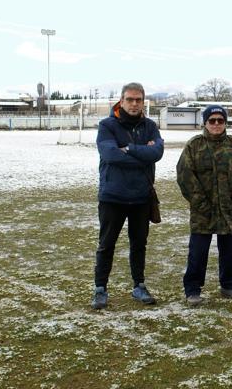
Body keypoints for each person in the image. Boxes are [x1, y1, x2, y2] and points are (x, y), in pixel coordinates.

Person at [91, 82, 164, 309]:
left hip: (141, 197)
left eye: (138, 100)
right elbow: (111, 155)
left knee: (139, 244)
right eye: (130, 99)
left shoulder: (150, 126)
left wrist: (130, 149)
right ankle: (100, 289)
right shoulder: (107, 126)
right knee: (106, 244)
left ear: (143, 102)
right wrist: (143, 152)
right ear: (121, 101)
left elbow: (157, 152)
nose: (134, 104)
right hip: (113, 196)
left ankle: (139, 286)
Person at [176, 105, 232, 306]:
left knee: (228, 250)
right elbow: (185, 176)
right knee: (198, 251)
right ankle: (192, 289)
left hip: (228, 208)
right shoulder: (194, 146)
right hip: (203, 211)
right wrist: (200, 203)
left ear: (225, 122)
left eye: (220, 120)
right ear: (205, 122)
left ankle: (228, 285)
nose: (216, 124)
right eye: (212, 120)